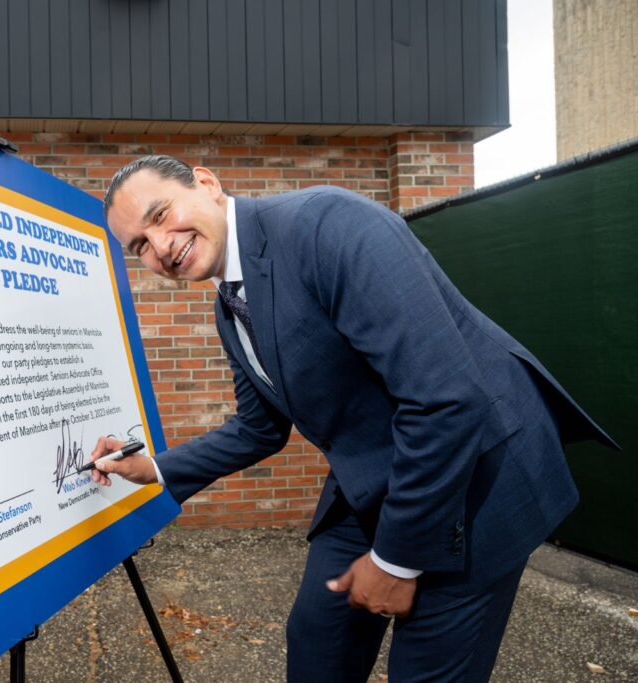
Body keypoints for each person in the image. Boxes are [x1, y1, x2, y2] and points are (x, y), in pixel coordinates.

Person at [88, 155, 616, 682]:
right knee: (318, 641)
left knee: (424, 670)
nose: (159, 247)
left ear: (205, 182)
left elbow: (446, 400)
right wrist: (153, 467)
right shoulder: (229, 307)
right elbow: (258, 428)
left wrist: (394, 562)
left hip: (481, 474)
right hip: (376, 479)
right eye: (139, 246)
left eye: (159, 215)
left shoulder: (327, 224)